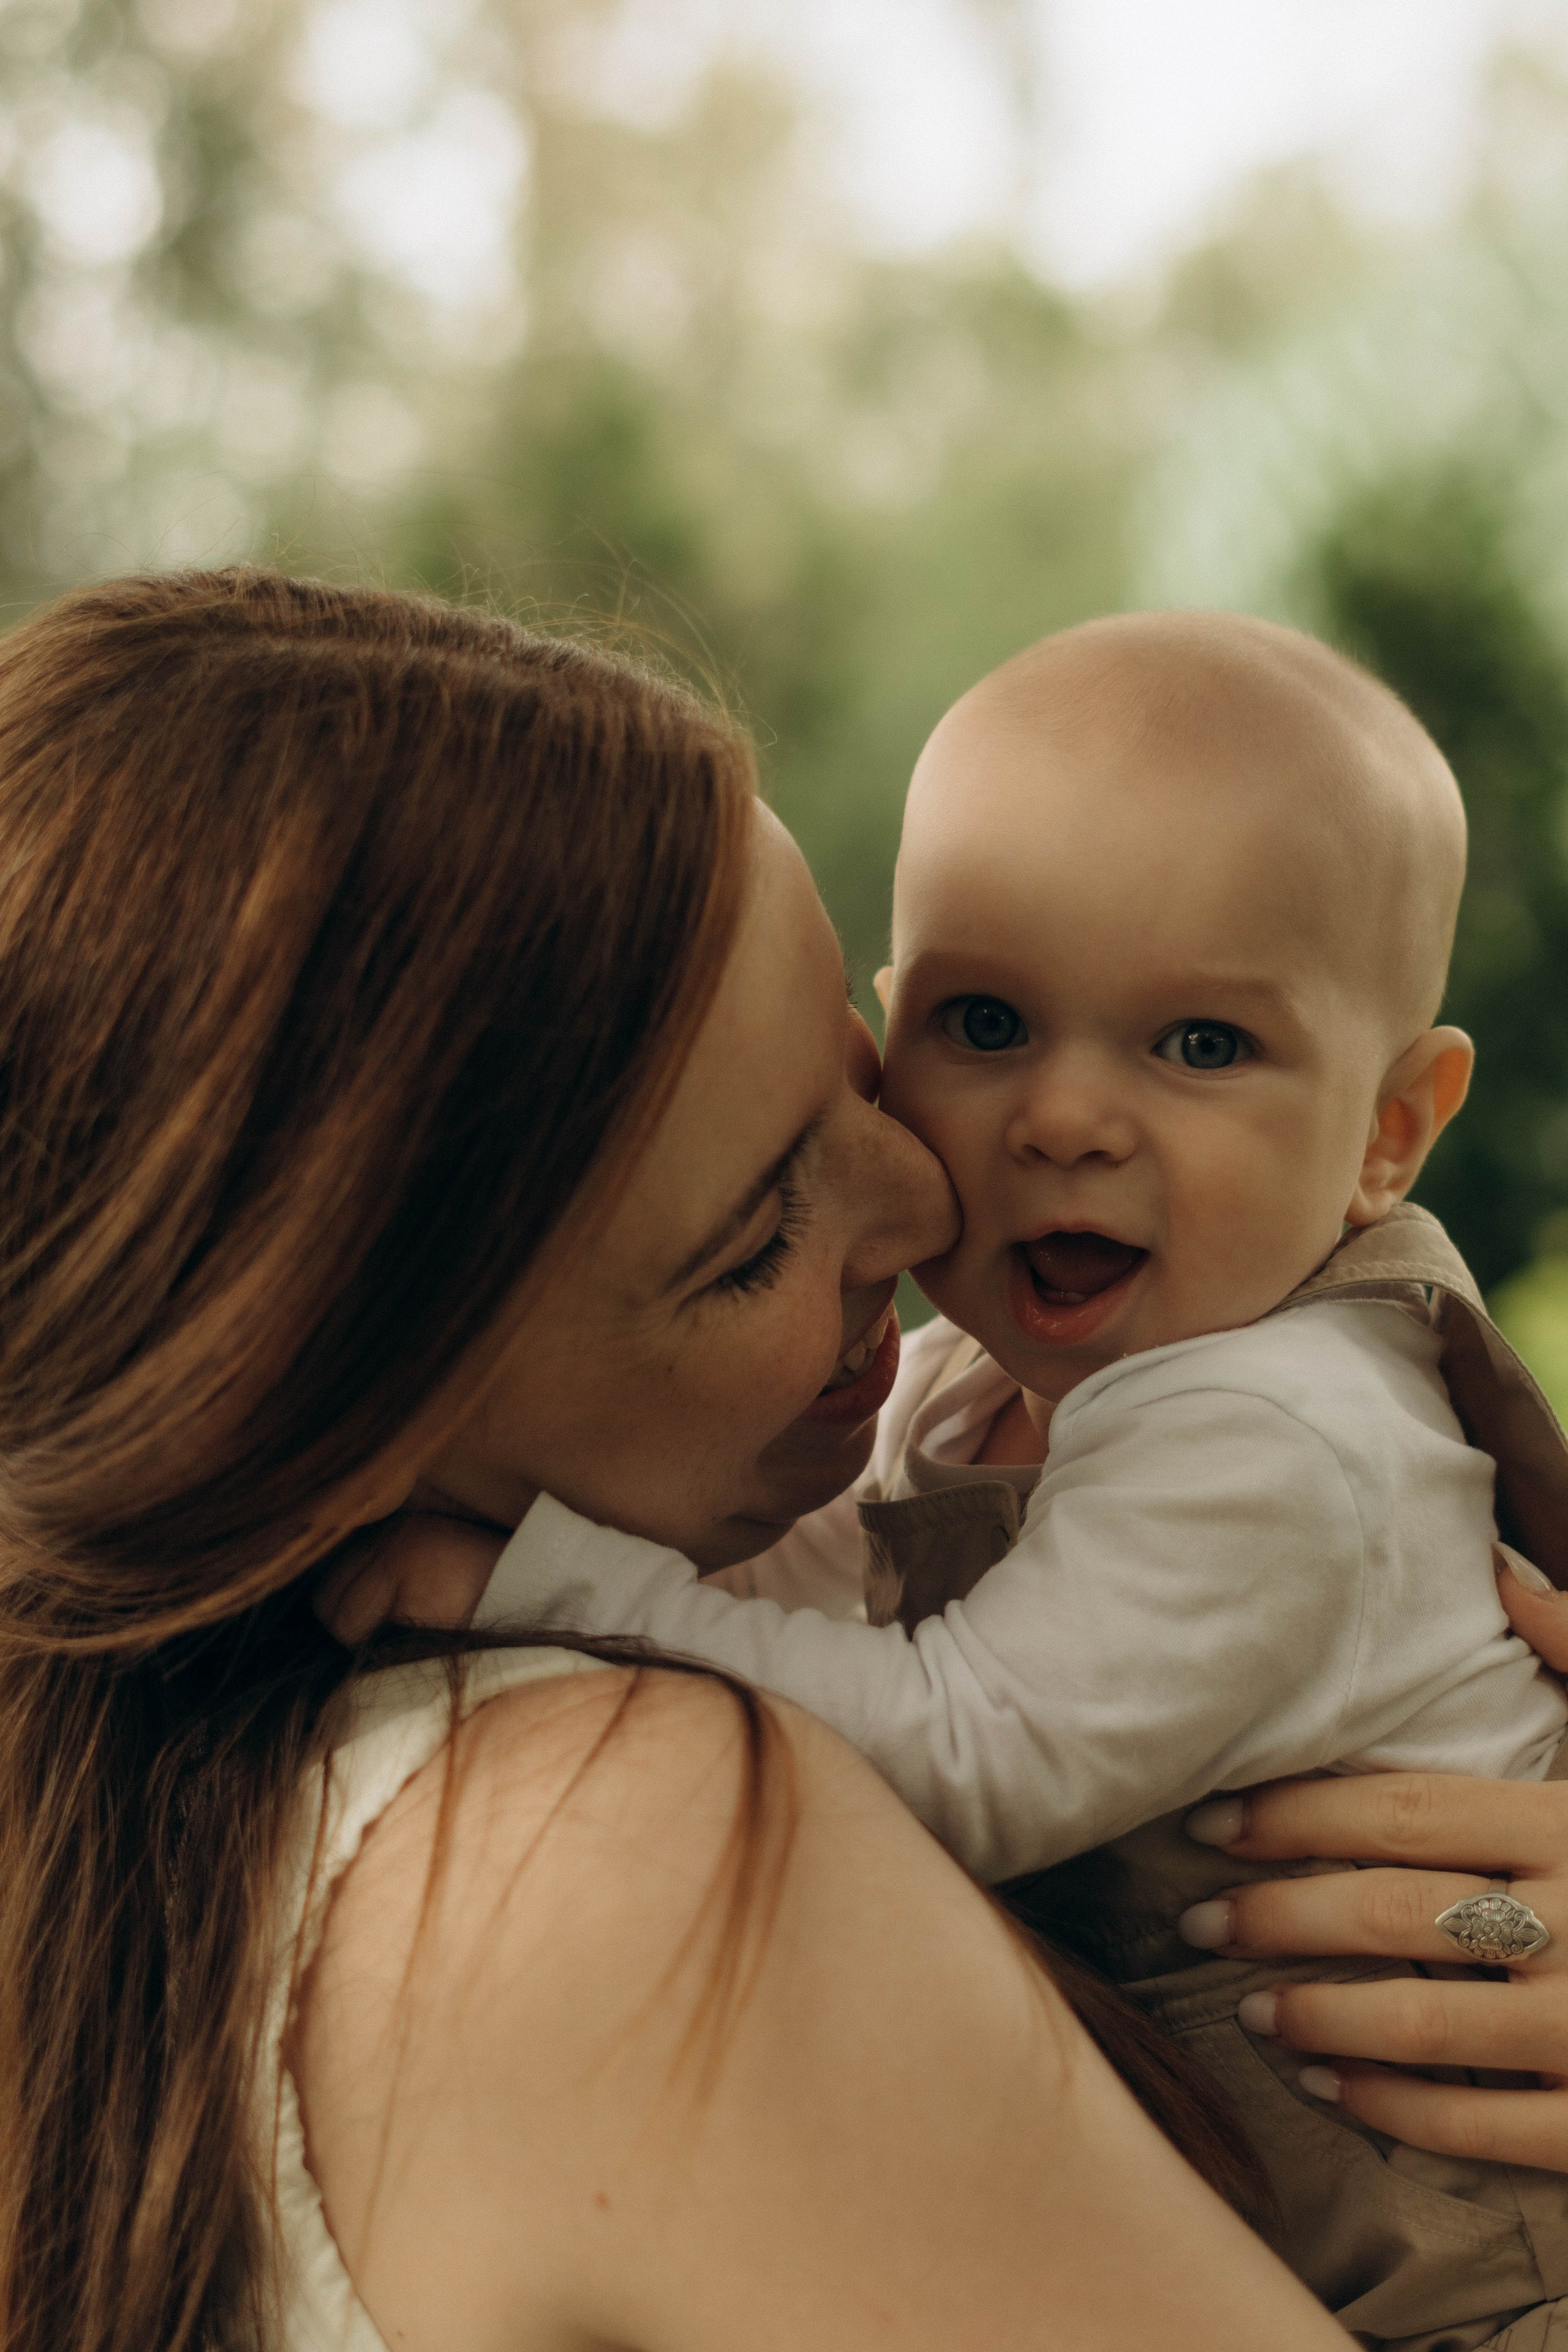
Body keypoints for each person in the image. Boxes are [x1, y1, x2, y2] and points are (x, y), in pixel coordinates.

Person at [0, 566, 1556, 2352]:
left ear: (1391, 1130)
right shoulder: (629, 1852)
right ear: (331, 1426)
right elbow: (953, 1710)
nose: (930, 1191)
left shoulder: (123, 1883)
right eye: (750, 1235)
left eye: (853, 1080)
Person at [454, 612, 1568, 2344]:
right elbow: (825, 1597)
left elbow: (961, 1749)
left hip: (1489, 2268)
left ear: (1388, 1132)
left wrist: (543, 1583)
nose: (1064, 1117)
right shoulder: (990, 1388)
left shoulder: (1271, 1435)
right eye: (987, 1019)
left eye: (1199, 1045)